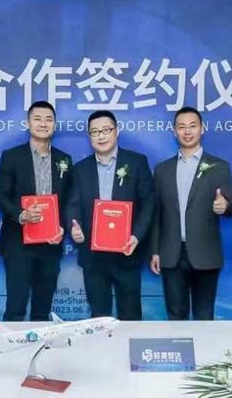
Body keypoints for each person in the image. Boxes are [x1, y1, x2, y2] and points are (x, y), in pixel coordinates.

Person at [151, 106, 232, 320]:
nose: (187, 131)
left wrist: (225, 206)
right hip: (172, 254)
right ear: (174, 131)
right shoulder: (162, 170)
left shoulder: (219, 166)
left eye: (192, 126)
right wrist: (154, 251)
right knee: (176, 317)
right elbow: (156, 214)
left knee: (204, 316)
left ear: (202, 129)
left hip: (206, 254)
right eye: (181, 127)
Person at [67, 110, 155, 320]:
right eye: (95, 132)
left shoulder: (137, 162)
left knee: (131, 316)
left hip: (127, 252)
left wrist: (136, 236)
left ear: (117, 131)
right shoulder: (80, 169)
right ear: (89, 136)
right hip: (93, 257)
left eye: (106, 130)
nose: (101, 136)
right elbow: (72, 205)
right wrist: (74, 228)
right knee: (98, 317)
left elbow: (148, 204)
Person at [0, 100, 72, 321]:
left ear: (55, 124)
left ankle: (41, 344)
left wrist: (63, 228)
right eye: (37, 119)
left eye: (48, 119)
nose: (43, 124)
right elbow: (1, 196)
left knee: (42, 310)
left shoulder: (64, 160)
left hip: (50, 246)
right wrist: (21, 214)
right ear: (28, 123)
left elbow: (69, 202)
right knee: (15, 307)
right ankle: (11, 345)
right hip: (18, 244)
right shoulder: (12, 156)